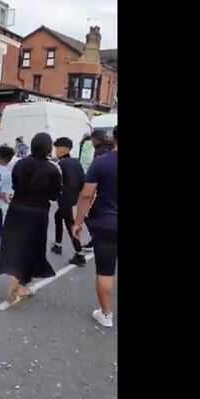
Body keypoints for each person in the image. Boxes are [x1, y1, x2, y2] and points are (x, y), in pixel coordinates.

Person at [0, 133, 62, 305]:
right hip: (38, 213)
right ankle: (19, 286)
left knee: (16, 245)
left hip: (17, 209)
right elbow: (55, 195)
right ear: (48, 147)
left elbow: (15, 184)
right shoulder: (52, 169)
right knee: (32, 248)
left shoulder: (20, 164)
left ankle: (18, 283)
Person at [74, 126, 118, 328]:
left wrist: (78, 222)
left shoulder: (102, 163)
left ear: (113, 139)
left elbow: (86, 195)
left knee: (106, 271)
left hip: (106, 224)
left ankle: (106, 314)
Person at [51, 137, 87, 266]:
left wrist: (57, 196)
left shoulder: (60, 164)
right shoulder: (76, 162)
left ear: (62, 149)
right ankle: (58, 244)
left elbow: (57, 183)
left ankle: (79, 254)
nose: (55, 150)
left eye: (56, 147)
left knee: (70, 225)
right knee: (57, 216)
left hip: (65, 198)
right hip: (73, 198)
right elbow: (82, 181)